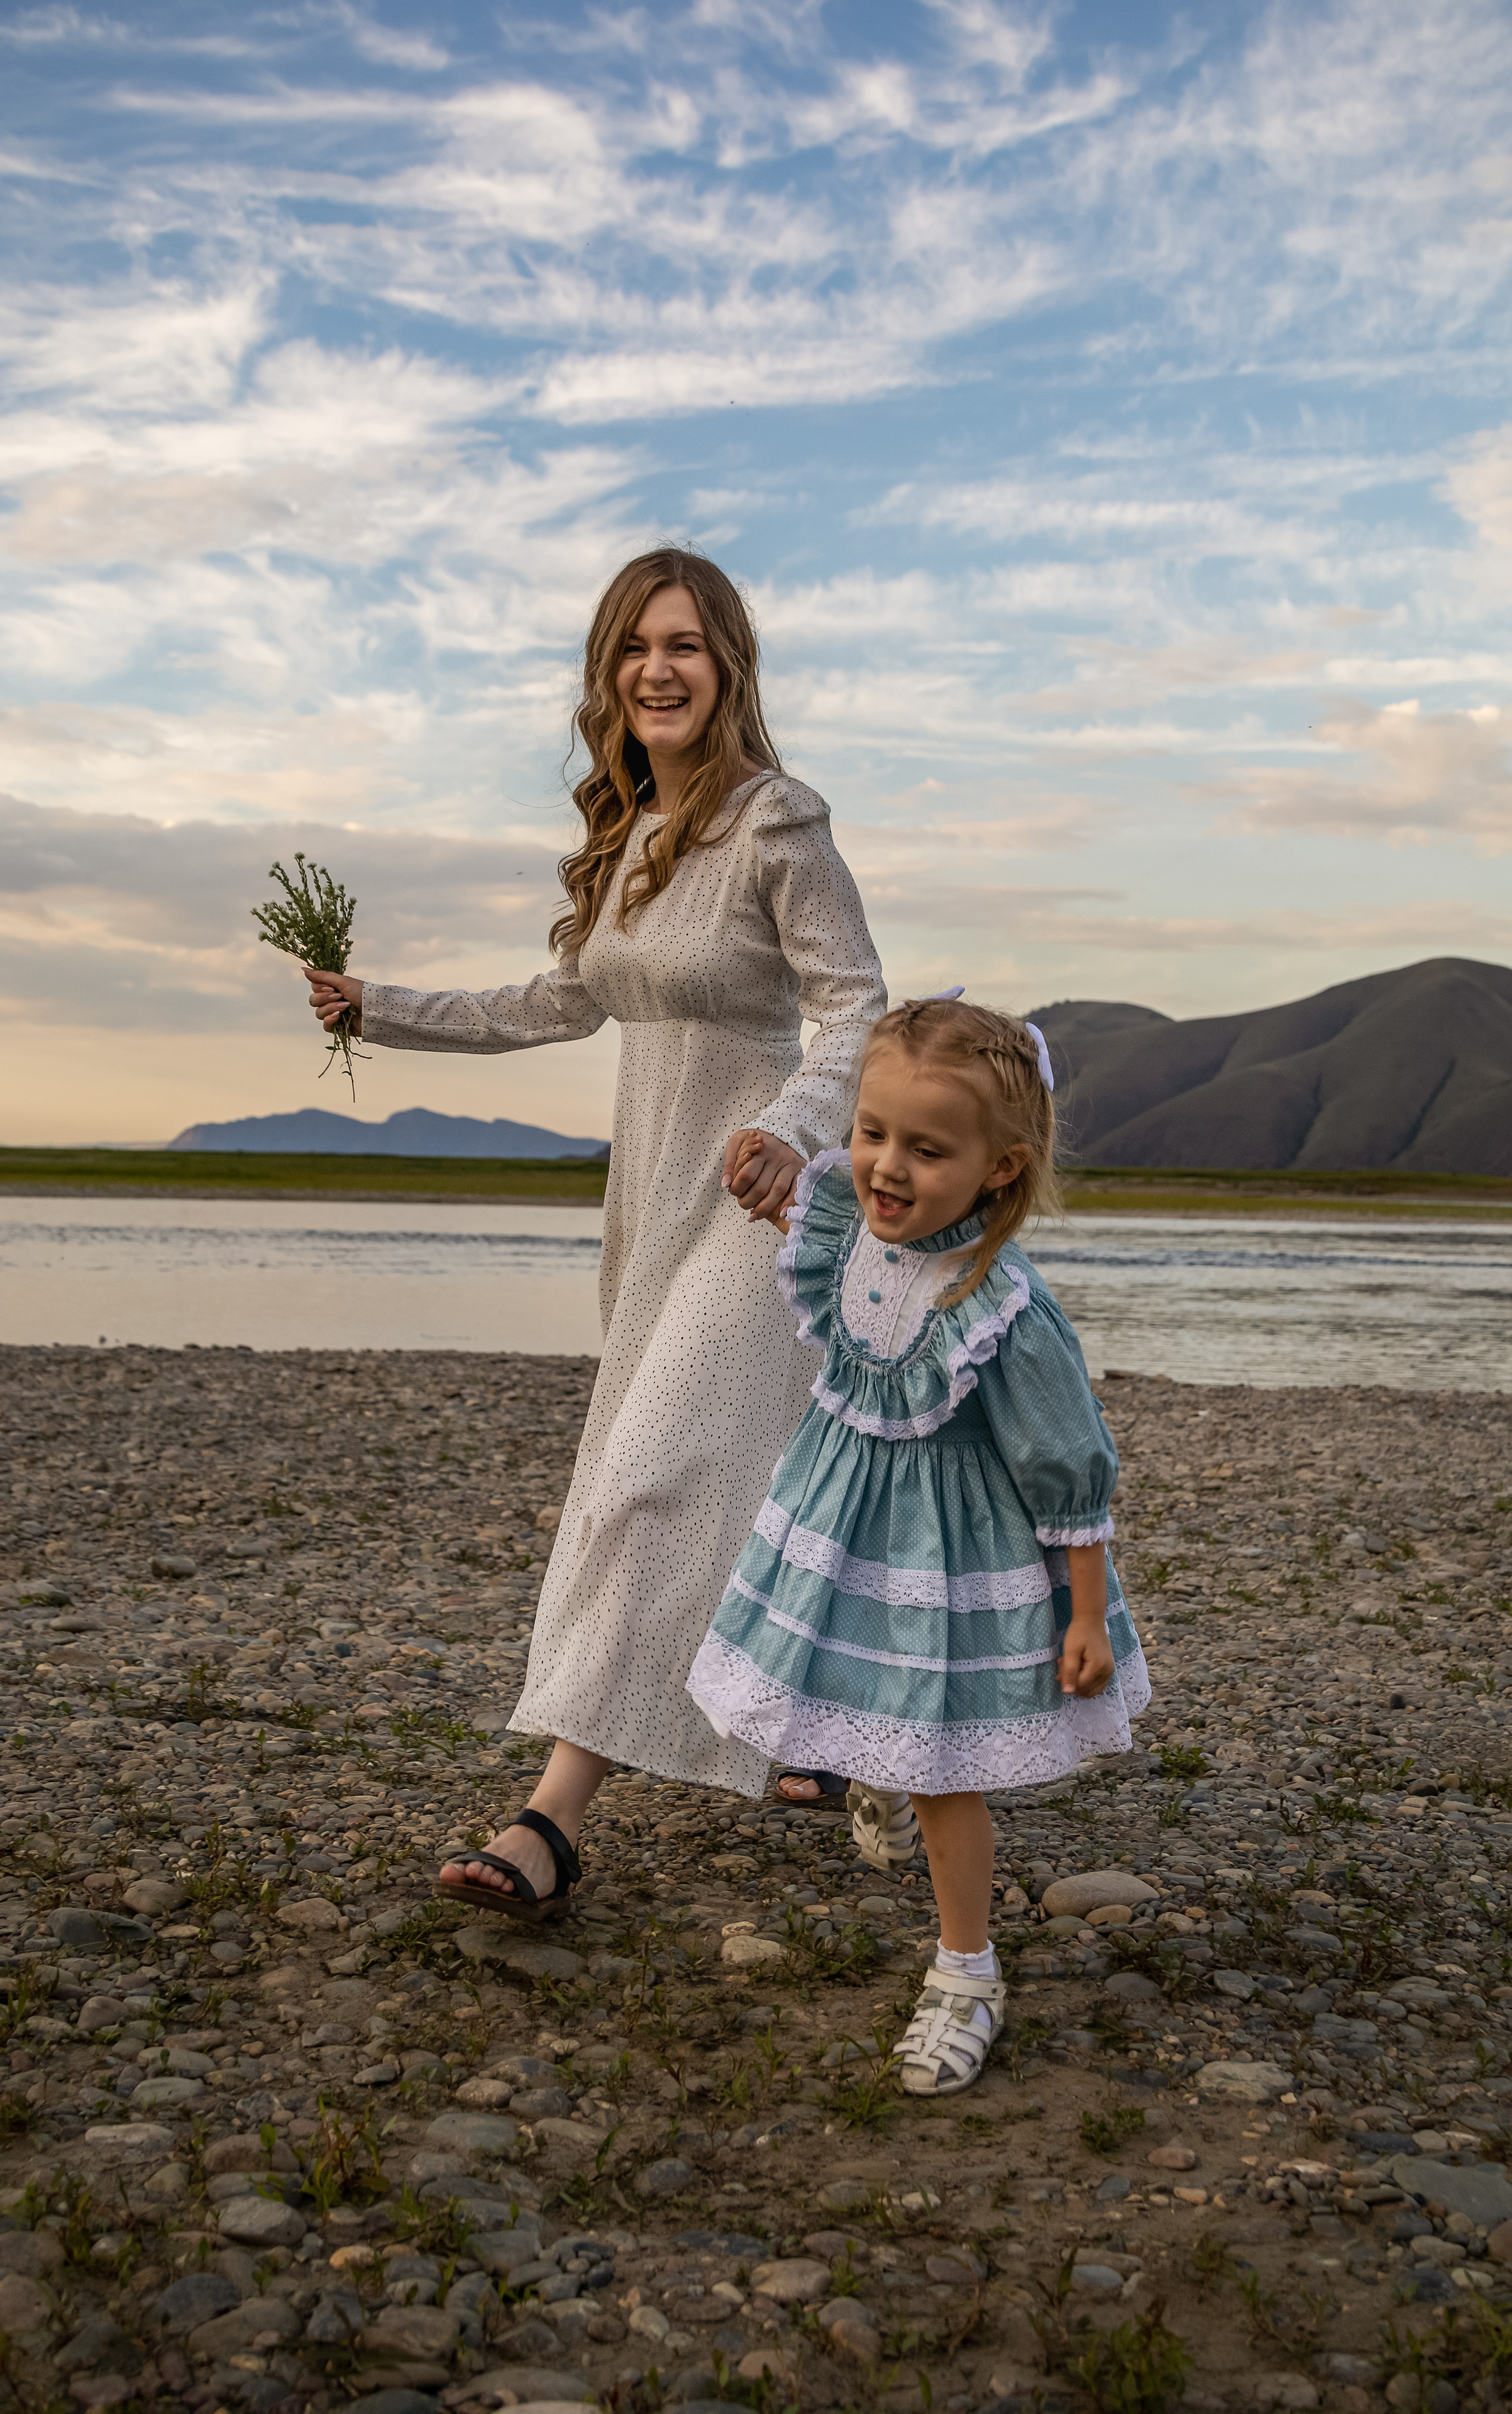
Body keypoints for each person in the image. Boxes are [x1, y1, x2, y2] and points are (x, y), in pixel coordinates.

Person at [303, 548, 887, 1915]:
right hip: (648, 1201)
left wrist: (793, 1132)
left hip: (757, 1198)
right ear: (608, 675)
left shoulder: (776, 822)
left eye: (683, 643)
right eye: (633, 646)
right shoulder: (630, 837)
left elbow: (854, 1007)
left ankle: (551, 1819)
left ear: (726, 664)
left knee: (650, 1474)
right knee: (733, 1470)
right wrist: (374, 1005)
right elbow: (553, 1003)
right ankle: (800, 1735)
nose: (657, 668)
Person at [687, 997, 1151, 2093]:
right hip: (841, 1518)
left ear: (1001, 1168)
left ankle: (966, 1973)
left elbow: (1067, 1464)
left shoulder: (1002, 1306)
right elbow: (812, 1219)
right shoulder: (852, 1219)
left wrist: (1084, 1614)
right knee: (835, 1678)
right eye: (873, 1133)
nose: (887, 1168)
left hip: (953, 1555)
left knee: (946, 1772)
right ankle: (874, 1773)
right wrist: (769, 1170)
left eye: (927, 1149)